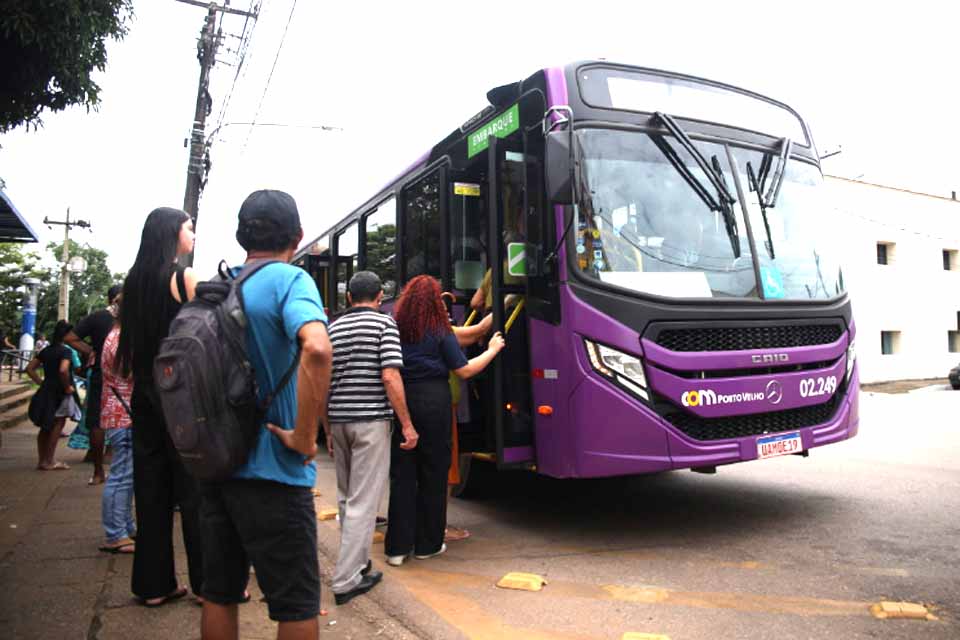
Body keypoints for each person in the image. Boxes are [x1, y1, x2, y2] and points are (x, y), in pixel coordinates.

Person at [200, 190, 332, 640]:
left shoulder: (216, 288)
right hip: (275, 472)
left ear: (242, 236)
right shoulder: (290, 281)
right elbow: (317, 348)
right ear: (297, 236)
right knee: (295, 605)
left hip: (215, 466)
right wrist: (305, 435)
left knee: (219, 594)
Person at [385, 275, 504, 566]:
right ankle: (427, 544)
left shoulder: (394, 328)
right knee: (434, 472)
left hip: (403, 399)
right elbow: (464, 370)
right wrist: (492, 350)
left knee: (402, 475)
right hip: (434, 401)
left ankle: (397, 549)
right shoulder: (439, 329)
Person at [117, 207, 202, 607]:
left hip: (145, 393)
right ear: (172, 234)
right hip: (180, 394)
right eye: (189, 228)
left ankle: (154, 586)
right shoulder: (183, 278)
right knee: (195, 489)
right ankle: (208, 584)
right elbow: (205, 333)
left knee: (151, 490)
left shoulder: (132, 282)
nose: (193, 235)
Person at [326, 271, 417, 605]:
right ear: (380, 297)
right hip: (370, 422)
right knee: (364, 502)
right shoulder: (384, 325)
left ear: (349, 297)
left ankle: (359, 563)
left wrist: (327, 429)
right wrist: (406, 424)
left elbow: (323, 382)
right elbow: (390, 376)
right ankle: (346, 580)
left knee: (347, 498)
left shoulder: (333, 328)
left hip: (339, 420)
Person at [66, 283, 123, 485]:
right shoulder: (133, 318)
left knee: (97, 422)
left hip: (101, 373)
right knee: (123, 419)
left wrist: (91, 351)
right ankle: (116, 463)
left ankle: (98, 471)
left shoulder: (97, 317)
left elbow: (70, 337)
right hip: (125, 377)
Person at [98, 295, 136, 555]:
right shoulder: (122, 339)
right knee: (122, 476)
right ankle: (115, 534)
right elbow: (133, 373)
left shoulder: (115, 335)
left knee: (126, 475)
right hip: (124, 413)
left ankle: (124, 526)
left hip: (119, 412)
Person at [25, 320, 80, 470]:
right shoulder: (66, 351)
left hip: (46, 389)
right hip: (60, 391)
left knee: (45, 425)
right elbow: (63, 370)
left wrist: (41, 382)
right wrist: (67, 387)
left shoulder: (46, 350)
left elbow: (30, 368)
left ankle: (42, 460)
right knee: (58, 423)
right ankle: (49, 460)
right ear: (67, 335)